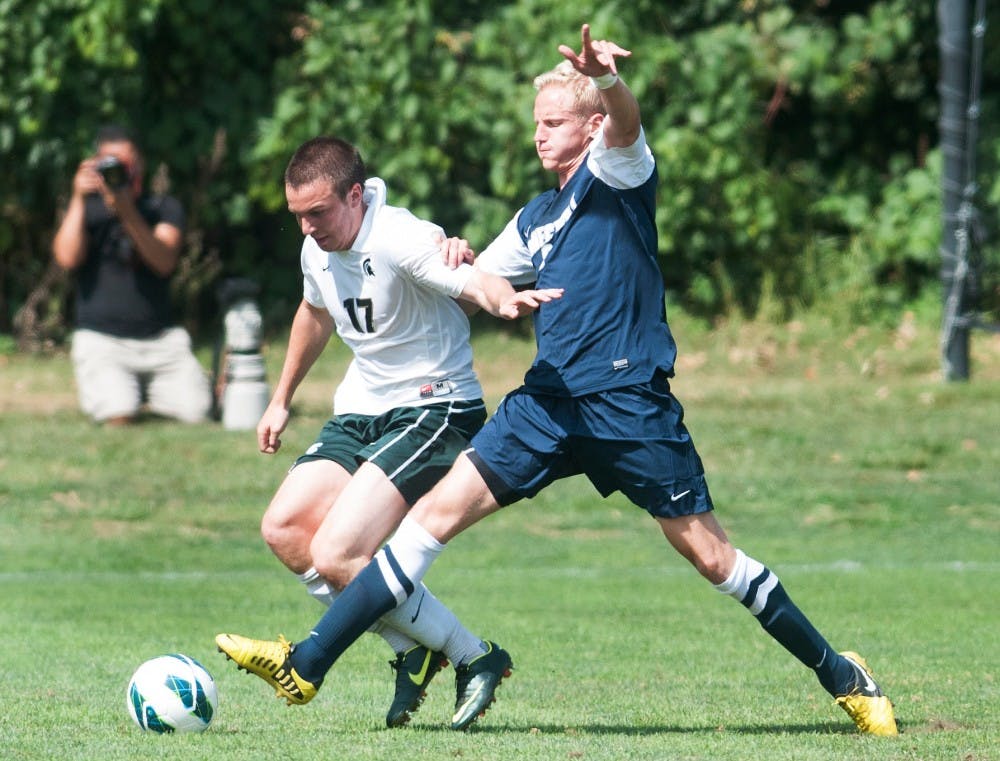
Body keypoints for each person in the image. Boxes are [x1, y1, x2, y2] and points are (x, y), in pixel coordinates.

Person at [216, 25, 898, 736]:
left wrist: (607, 79)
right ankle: (308, 663)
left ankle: (843, 675)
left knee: (711, 556)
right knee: (428, 521)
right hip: (545, 405)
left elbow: (629, 125)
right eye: (536, 124)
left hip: (628, 403)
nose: (539, 136)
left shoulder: (618, 177)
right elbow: (479, 277)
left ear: (592, 126)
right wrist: (463, 261)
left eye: (554, 122)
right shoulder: (537, 218)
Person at [215, 136, 562, 729]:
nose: (306, 228)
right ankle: (415, 649)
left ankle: (472, 655)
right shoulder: (317, 245)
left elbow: (470, 279)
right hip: (361, 411)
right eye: (296, 215)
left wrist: (502, 299)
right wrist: (280, 399)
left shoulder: (401, 236)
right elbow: (315, 311)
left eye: (317, 213)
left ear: (355, 195)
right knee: (286, 530)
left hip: (436, 408)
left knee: (338, 553)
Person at [52, 125, 212, 426]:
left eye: (126, 163)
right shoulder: (87, 210)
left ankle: (166, 387)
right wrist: (77, 197)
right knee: (118, 412)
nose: (120, 171)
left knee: (197, 412)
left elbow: (164, 260)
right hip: (103, 341)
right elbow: (66, 258)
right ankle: (126, 391)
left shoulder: (162, 208)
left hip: (161, 341)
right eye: (111, 163)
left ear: (140, 164)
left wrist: (127, 212)